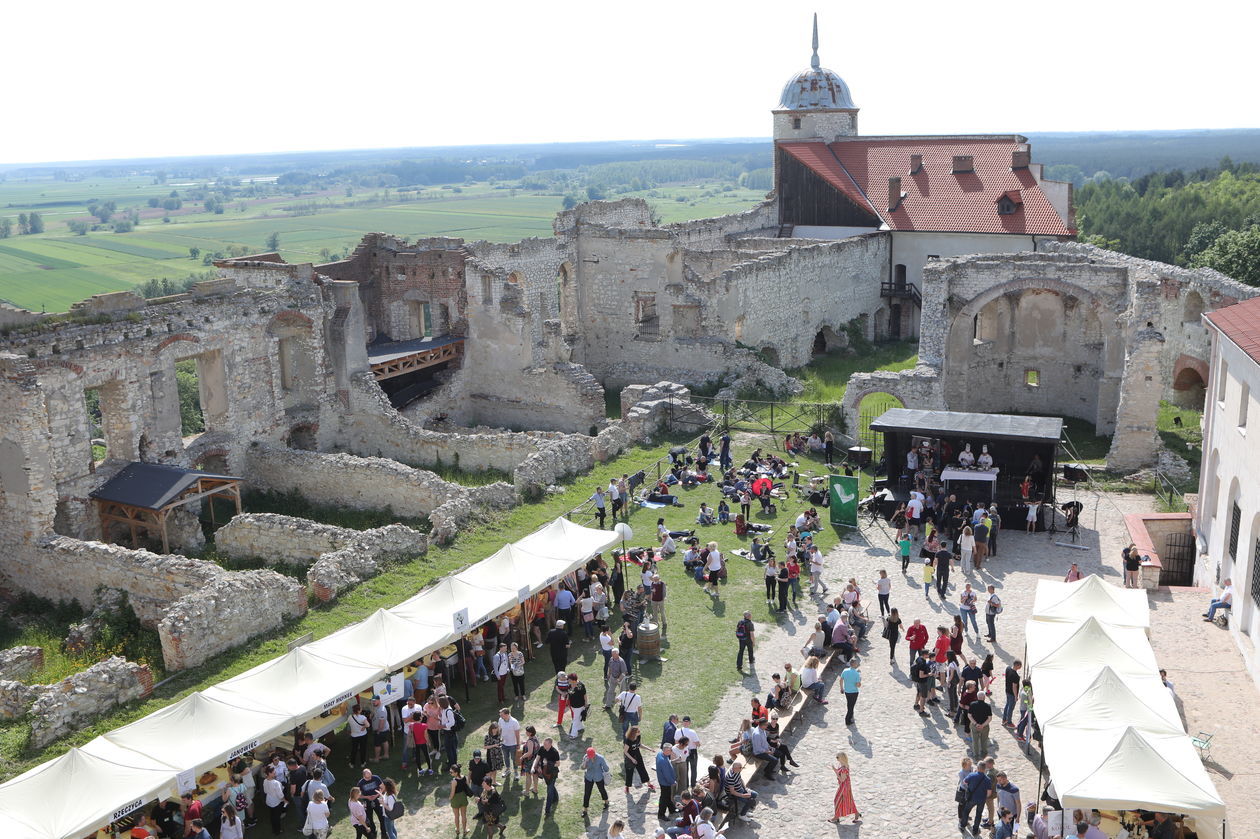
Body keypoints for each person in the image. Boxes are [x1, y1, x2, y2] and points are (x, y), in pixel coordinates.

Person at [827, 751, 860, 824]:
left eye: (837, 757)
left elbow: (842, 779)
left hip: (844, 786)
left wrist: (835, 771)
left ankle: (836, 817)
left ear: (841, 758)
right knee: (848, 800)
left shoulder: (844, 768)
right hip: (845, 786)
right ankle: (856, 813)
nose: (836, 759)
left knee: (837, 800)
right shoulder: (842, 764)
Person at [959, 763, 993, 835]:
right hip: (981, 800)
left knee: (966, 811)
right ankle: (975, 829)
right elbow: (989, 793)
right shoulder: (987, 779)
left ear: (977, 767)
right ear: (985, 769)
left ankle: (962, 825)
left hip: (971, 798)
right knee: (978, 814)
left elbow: (964, 782)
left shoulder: (972, 775)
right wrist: (984, 797)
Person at [581, 747, 611, 815]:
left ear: (595, 754)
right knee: (587, 793)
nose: (591, 758)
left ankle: (606, 802)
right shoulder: (586, 757)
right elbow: (582, 768)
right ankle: (585, 810)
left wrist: (604, 770)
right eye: (589, 756)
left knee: (602, 790)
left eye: (592, 756)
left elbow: (606, 769)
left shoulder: (600, 758)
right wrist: (585, 762)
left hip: (598, 777)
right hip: (589, 777)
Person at [536, 737, 561, 817]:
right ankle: (556, 798)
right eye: (544, 744)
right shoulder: (542, 749)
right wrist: (538, 766)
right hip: (545, 772)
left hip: (552, 773)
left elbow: (558, 764)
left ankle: (547, 810)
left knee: (549, 791)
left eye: (546, 744)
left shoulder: (554, 752)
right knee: (550, 786)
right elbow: (538, 758)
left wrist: (549, 763)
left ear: (550, 744)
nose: (544, 745)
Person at [676, 716, 701, 786]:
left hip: (682, 751)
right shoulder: (692, 732)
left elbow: (676, 742)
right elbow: (697, 744)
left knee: (685, 770)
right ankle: (693, 784)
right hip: (692, 752)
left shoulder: (678, 731)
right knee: (693, 768)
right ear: (689, 723)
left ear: (682, 723)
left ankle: (685, 784)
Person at [654, 744, 677, 819]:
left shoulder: (660, 754)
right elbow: (666, 774)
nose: (672, 751)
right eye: (670, 750)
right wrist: (672, 782)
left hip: (663, 781)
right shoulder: (663, 761)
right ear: (666, 750)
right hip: (665, 783)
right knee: (664, 799)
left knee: (667, 797)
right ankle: (661, 814)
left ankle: (672, 809)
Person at [447, 764, 470, 836]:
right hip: (463, 797)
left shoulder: (454, 781)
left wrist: (450, 798)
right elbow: (467, 785)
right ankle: (465, 830)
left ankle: (457, 830)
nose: (450, 773)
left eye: (451, 772)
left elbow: (452, 793)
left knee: (456, 816)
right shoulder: (464, 777)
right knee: (464, 815)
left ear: (456, 773)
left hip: (456, 799)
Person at [841, 657, 862, 726]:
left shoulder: (845, 671)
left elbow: (841, 680)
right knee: (851, 706)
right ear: (855, 664)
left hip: (847, 691)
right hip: (854, 692)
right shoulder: (857, 674)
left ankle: (851, 715)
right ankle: (847, 719)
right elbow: (858, 685)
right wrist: (860, 678)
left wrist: (841, 688)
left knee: (849, 704)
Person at [1002, 660, 1023, 726]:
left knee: (1007, 705)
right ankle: (1009, 722)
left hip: (1007, 690)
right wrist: (1016, 696)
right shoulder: (1015, 676)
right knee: (1010, 708)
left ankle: (1004, 719)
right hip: (1012, 693)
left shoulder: (1008, 668)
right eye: (1020, 666)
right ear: (1017, 665)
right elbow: (1014, 687)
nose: (1021, 667)